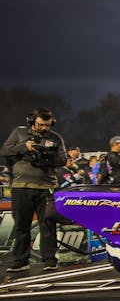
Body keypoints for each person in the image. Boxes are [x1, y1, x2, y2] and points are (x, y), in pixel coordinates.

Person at [0, 108, 67, 271]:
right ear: (32, 121)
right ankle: (21, 261)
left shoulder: (55, 137)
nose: (45, 128)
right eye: (41, 124)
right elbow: (5, 150)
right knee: (21, 225)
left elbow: (63, 159)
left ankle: (49, 260)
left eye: (48, 125)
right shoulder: (19, 133)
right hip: (21, 186)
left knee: (48, 224)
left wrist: (47, 158)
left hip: (46, 187)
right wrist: (24, 147)